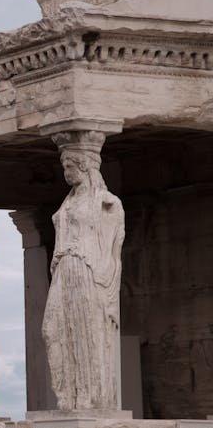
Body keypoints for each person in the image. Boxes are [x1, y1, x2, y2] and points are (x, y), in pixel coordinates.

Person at [44, 146, 124, 409]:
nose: (66, 171)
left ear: (85, 166)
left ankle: (92, 400)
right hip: (63, 270)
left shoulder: (107, 202)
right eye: (64, 166)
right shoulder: (67, 202)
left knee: (88, 333)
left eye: (70, 166)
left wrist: (105, 277)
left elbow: (115, 247)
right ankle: (68, 395)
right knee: (52, 330)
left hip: (87, 271)